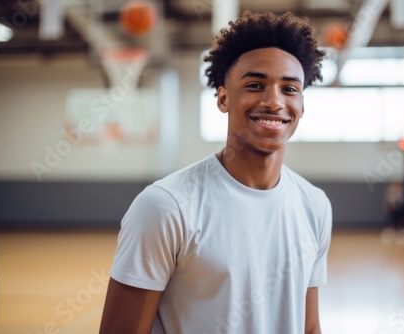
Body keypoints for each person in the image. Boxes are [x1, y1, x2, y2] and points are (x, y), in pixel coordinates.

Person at [100, 10, 332, 334]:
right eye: (255, 84)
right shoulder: (166, 207)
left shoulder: (315, 205)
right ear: (223, 97)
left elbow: (309, 326)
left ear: (302, 105)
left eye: (289, 89)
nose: (274, 101)